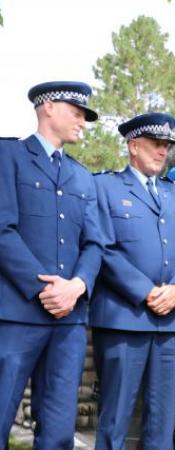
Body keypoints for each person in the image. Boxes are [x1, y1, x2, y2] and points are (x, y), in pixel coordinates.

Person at [0, 81, 103, 449]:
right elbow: (2, 229)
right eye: (76, 113)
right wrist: (45, 288)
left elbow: (95, 243)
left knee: (59, 430)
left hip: (68, 320)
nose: (83, 123)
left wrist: (77, 285)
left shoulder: (82, 176)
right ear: (48, 108)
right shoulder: (7, 156)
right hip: (17, 314)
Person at [90, 112, 175, 450]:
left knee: (162, 420)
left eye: (167, 145)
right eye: (156, 143)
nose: (163, 151)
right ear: (133, 145)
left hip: (171, 321)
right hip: (125, 318)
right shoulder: (104, 187)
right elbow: (102, 248)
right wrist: (146, 291)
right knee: (116, 417)